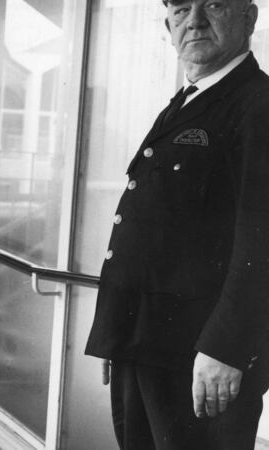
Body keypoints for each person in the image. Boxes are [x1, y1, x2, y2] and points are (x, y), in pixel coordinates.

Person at [84, 1, 269, 448]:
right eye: (182, 9)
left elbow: (261, 243)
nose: (195, 21)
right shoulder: (192, 100)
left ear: (249, 18)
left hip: (201, 360)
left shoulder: (258, 105)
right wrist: (115, 329)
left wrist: (227, 347)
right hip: (145, 342)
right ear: (168, 25)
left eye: (214, 6)